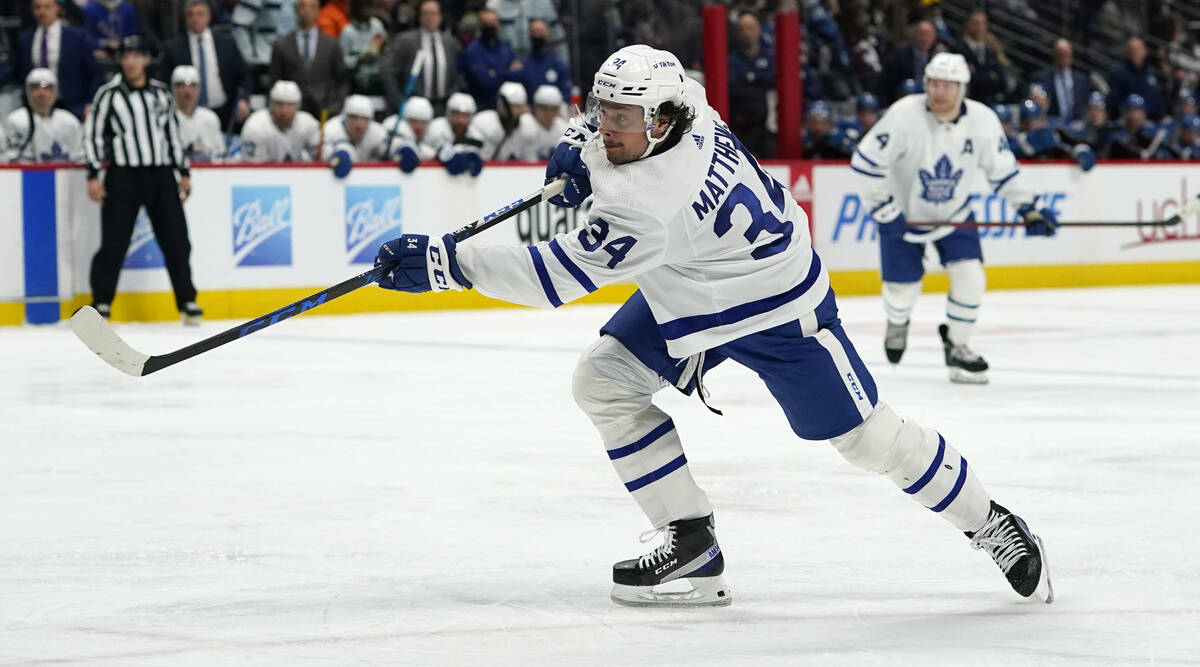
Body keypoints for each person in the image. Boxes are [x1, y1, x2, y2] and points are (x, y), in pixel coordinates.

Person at [370, 44, 1053, 608]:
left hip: (778, 306)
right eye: (602, 111)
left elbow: (554, 277)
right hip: (695, 289)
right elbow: (614, 140)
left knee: (868, 439)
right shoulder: (689, 100)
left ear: (662, 122)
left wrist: (446, 263)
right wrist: (584, 147)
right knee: (603, 381)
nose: (609, 126)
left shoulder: (645, 203)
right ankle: (690, 542)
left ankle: (992, 522)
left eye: (622, 118)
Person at [850, 53, 1060, 385]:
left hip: (955, 214)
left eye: (948, 85)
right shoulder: (904, 115)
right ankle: (898, 321)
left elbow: (1002, 173)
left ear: (962, 88)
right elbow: (865, 163)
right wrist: (884, 211)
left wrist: (1028, 207)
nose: (940, 92)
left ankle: (958, 345)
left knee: (971, 277)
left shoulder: (984, 120)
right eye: (934, 84)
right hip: (904, 216)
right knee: (901, 291)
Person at [83, 35, 201, 325]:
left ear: (145, 60)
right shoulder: (108, 95)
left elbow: (173, 135)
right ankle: (101, 301)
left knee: (177, 240)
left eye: (136, 56)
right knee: (114, 241)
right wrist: (93, 173)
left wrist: (183, 172)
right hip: (123, 174)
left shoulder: (161, 94)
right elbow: (93, 135)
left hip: (160, 174)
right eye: (126, 56)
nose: (131, 61)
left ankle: (187, 300)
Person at [159, 0, 252, 130]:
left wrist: (244, 99)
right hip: (188, 114)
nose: (195, 19)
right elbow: (163, 82)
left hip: (224, 112)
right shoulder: (173, 48)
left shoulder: (227, 43)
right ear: (185, 19)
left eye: (200, 14)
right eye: (190, 15)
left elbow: (244, 75)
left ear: (208, 17)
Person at [14, 0, 103, 120]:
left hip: (71, 107)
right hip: (35, 109)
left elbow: (95, 73)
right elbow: (17, 70)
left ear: (57, 8)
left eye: (47, 7)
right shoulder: (25, 39)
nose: (42, 11)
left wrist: (90, 103)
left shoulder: (76, 37)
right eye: (37, 7)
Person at [269, 0, 349, 117]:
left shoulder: (331, 44)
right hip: (289, 111)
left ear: (318, 11)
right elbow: (274, 80)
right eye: (303, 6)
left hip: (324, 110)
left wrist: (335, 107)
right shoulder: (281, 45)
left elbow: (342, 80)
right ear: (296, 10)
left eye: (312, 7)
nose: (307, 11)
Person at [381, 0, 460, 115]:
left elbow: (457, 74)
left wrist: (452, 98)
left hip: (442, 106)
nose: (429, 18)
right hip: (413, 106)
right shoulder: (405, 41)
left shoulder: (451, 43)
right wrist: (399, 102)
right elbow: (388, 71)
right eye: (425, 14)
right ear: (420, 17)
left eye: (433, 14)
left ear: (440, 17)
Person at [3, 68, 82, 162]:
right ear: (28, 91)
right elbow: (8, 158)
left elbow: (78, 157)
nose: (41, 93)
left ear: (55, 91)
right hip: (26, 175)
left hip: (64, 175)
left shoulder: (69, 121)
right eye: (35, 87)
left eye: (47, 88)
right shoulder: (16, 120)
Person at [727, 11, 775, 158]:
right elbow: (733, 87)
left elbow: (773, 81)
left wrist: (749, 79)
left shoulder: (770, 57)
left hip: (765, 127)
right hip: (738, 127)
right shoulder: (731, 60)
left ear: (759, 30)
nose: (747, 33)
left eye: (750, 28)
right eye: (743, 29)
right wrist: (758, 81)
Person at [237, 80, 320, 162]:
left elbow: (321, 155)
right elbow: (254, 169)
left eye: (289, 105)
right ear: (271, 104)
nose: (284, 111)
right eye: (280, 104)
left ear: (297, 107)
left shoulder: (307, 124)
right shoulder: (255, 126)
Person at [461, 7, 519, 110]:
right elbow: (485, 81)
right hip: (481, 105)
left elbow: (518, 74)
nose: (490, 27)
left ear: (499, 25)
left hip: (507, 105)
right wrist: (507, 71)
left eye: (493, 23)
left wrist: (495, 73)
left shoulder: (506, 47)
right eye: (486, 24)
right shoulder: (473, 50)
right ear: (480, 26)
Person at [323, 93, 391, 177]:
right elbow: (321, 154)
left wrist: (399, 149)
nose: (359, 124)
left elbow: (389, 149)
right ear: (345, 117)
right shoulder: (330, 130)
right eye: (353, 117)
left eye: (364, 118)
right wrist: (334, 155)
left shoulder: (377, 131)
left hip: (370, 181)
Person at [171, 65, 226, 162]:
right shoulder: (167, 118)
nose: (187, 91)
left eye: (192, 86)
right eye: (181, 85)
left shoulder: (210, 118)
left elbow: (219, 153)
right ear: (173, 88)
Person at [466, 80, 527, 160]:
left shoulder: (528, 125)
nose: (515, 111)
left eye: (518, 106)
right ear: (500, 104)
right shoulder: (482, 121)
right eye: (511, 106)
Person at [1108, 37, 1166, 121]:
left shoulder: (1151, 73)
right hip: (1128, 122)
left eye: (1137, 49)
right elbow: (1114, 101)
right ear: (1127, 53)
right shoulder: (1119, 74)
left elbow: (1157, 98)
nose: (1134, 52)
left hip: (1151, 123)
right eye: (1131, 49)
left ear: (1145, 51)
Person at [1033, 39, 1091, 123]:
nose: (1064, 57)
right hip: (1052, 126)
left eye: (1067, 54)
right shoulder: (1043, 78)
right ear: (1054, 55)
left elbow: (1086, 104)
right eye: (1061, 54)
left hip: (1076, 127)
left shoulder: (1081, 79)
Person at [956, 11, 1006, 106]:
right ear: (968, 25)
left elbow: (1002, 83)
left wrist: (976, 75)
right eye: (976, 23)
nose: (979, 28)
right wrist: (989, 76)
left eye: (982, 23)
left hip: (988, 103)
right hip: (967, 103)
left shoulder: (991, 52)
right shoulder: (958, 49)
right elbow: (965, 80)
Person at [516, 18, 570, 104]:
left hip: (553, 113)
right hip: (528, 114)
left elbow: (566, 96)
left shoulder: (559, 66)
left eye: (541, 32)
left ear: (548, 35)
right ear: (529, 35)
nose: (537, 36)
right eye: (534, 32)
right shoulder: (521, 66)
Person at [339, 0, 388, 94]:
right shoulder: (347, 32)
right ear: (357, 8)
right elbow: (342, 63)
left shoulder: (376, 25)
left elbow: (385, 46)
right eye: (367, 7)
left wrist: (383, 48)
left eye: (371, 7)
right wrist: (360, 59)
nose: (371, 11)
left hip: (377, 81)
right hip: (356, 83)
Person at [382, 95, 438, 162]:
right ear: (405, 120)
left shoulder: (436, 130)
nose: (418, 127)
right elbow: (395, 146)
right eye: (414, 121)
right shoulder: (395, 125)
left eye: (423, 122)